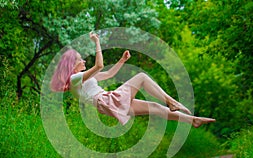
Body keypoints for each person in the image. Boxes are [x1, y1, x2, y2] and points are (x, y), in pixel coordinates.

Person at [51, 32, 216, 128]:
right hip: (107, 101)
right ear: (72, 65)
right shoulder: (74, 78)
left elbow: (107, 75)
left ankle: (192, 120)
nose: (84, 61)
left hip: (108, 101)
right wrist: (97, 42)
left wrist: (122, 61)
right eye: (81, 60)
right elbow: (99, 66)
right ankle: (172, 102)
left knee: (155, 108)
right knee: (142, 77)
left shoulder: (82, 78)